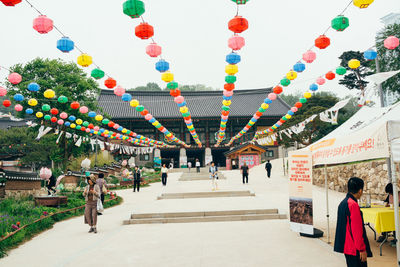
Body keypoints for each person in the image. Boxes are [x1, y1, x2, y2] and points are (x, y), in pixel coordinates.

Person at [334, 177, 372, 267]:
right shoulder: (353, 205)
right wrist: (362, 249)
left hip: (347, 247)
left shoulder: (343, 203)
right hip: (354, 248)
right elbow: (357, 230)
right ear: (360, 190)